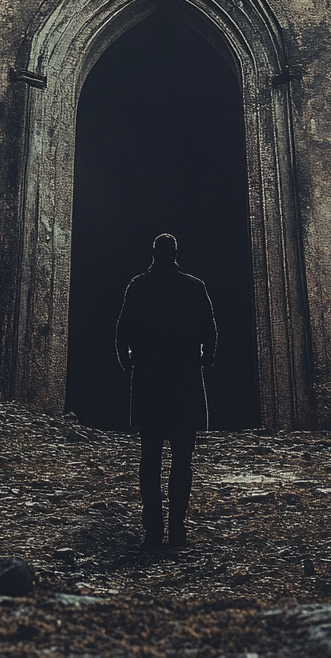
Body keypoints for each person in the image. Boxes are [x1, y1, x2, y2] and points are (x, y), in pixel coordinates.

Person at [115, 233, 217, 550]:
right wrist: (206, 360)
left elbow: (122, 331)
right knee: (182, 460)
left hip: (149, 382)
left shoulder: (138, 286)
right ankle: (177, 528)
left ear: (154, 253)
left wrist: (127, 362)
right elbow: (210, 331)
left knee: (150, 458)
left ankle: (154, 529)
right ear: (175, 253)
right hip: (184, 381)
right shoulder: (194, 286)